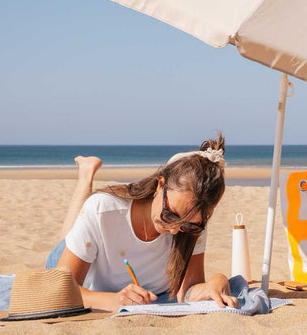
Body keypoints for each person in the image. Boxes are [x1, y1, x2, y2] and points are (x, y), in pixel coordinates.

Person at [45, 133, 238, 312]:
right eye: (169, 214)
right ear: (160, 185)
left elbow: (188, 290)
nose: (173, 230)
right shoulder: (103, 210)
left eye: (188, 225)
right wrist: (113, 300)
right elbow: (61, 289)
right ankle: (86, 175)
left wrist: (216, 281)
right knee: (71, 234)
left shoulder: (193, 226)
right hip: (83, 276)